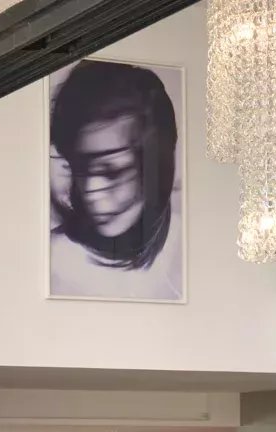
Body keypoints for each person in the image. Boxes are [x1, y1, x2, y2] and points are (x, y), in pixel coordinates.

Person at [48, 60, 182, 301]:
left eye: (111, 172)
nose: (91, 189)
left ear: (155, 167)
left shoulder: (187, 248)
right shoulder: (56, 259)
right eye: (81, 168)